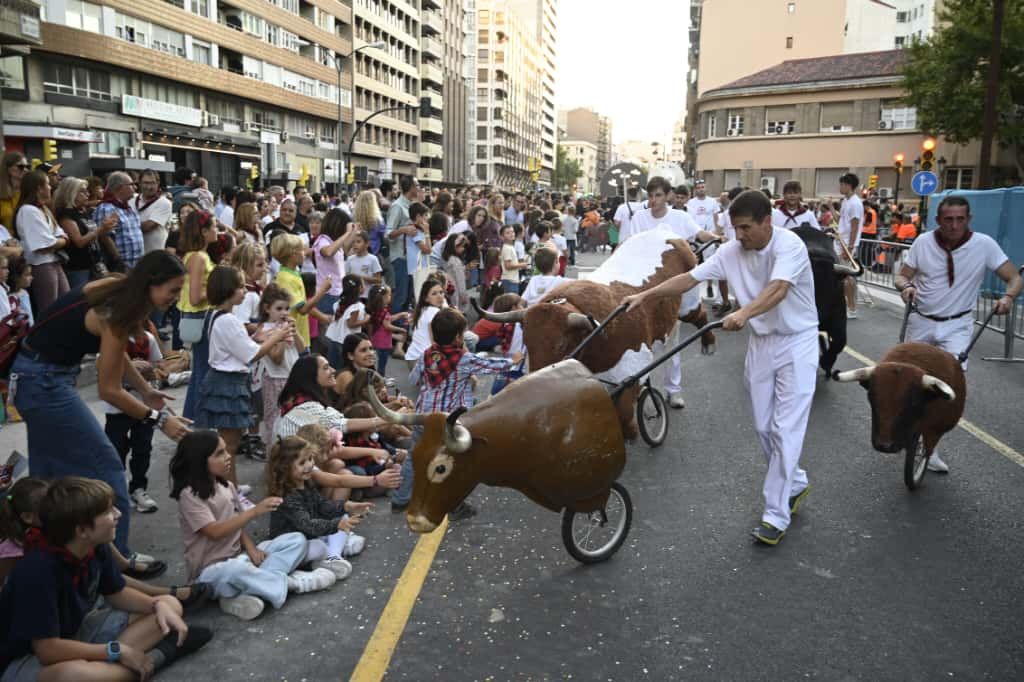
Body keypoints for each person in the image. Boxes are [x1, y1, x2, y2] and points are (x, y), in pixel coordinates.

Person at [624, 190, 818, 546]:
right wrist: (644, 296)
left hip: (797, 342)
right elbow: (689, 278)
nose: (739, 235)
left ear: (766, 222)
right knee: (764, 426)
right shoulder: (731, 250)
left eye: (745, 228)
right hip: (762, 344)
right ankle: (796, 481)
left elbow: (778, 289)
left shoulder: (790, 246)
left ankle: (776, 514)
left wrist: (743, 312)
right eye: (734, 228)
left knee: (785, 427)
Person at [12, 250, 191, 562]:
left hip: (35, 378)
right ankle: (116, 568)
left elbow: (115, 353)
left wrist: (146, 390)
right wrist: (159, 419)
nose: (174, 298)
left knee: (47, 481)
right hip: (43, 383)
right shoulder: (116, 310)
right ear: (151, 283)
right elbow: (109, 390)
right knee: (106, 469)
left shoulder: (115, 290)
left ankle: (51, 556)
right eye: (172, 290)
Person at [0, 477, 212, 681]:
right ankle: (158, 656)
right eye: (108, 511)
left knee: (170, 606)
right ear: (82, 530)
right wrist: (116, 650)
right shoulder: (37, 571)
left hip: (75, 633)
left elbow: (117, 593)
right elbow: (47, 650)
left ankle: (115, 668)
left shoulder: (94, 545)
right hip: (28, 658)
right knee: (72, 676)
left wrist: (156, 604)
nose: (118, 513)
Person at [894, 195, 1022, 474]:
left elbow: (1014, 277)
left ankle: (931, 447)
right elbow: (901, 276)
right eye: (948, 219)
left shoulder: (984, 245)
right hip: (922, 320)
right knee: (907, 379)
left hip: (957, 325)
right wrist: (905, 287)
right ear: (938, 220)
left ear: (969, 219)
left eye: (960, 219)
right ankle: (904, 427)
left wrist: (1009, 298)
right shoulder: (923, 242)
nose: (954, 225)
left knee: (946, 388)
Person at [169, 431, 336, 621]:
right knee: (233, 571)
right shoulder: (189, 495)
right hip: (211, 572)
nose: (227, 457)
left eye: (225, 451)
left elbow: (235, 525)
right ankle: (293, 584)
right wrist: (254, 511)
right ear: (199, 460)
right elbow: (215, 531)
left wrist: (251, 549)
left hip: (241, 558)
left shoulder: (226, 486)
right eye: (219, 454)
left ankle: (242, 592)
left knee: (296, 539)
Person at [390, 308, 523, 514]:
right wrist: (512, 361)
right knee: (455, 462)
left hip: (422, 417)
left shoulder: (427, 354)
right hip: (446, 423)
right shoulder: (463, 359)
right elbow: (490, 365)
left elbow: (413, 380)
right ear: (458, 337)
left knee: (413, 456)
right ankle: (454, 507)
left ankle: (400, 499)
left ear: (434, 335)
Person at [196, 266, 293, 481]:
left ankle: (230, 487)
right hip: (228, 382)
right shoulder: (229, 321)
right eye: (240, 286)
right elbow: (252, 355)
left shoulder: (216, 316)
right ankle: (231, 491)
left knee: (229, 442)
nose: (245, 290)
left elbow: (239, 347)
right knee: (229, 445)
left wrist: (259, 337)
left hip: (226, 380)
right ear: (228, 289)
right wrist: (278, 336)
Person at [266, 436, 368, 578]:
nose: (309, 465)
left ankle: (333, 555)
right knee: (319, 545)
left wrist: (346, 506)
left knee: (341, 516)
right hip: (293, 546)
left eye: (310, 459)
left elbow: (322, 505)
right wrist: (336, 525)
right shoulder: (287, 496)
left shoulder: (305, 481)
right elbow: (308, 525)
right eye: (302, 463)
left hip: (311, 535)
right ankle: (333, 555)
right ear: (284, 468)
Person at [102, 324, 164, 515]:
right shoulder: (111, 338)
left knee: (143, 447)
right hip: (117, 407)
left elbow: (159, 365)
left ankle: (138, 488)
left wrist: (149, 369)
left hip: (143, 405)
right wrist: (128, 367)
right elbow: (102, 371)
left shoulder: (147, 338)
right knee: (116, 449)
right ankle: (116, 491)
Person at [274, 354, 388, 440]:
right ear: (311, 376)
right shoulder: (307, 407)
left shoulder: (304, 399)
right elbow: (342, 424)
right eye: (326, 368)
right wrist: (389, 419)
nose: (333, 370)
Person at [179, 210, 219, 420]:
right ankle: (198, 420)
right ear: (203, 231)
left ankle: (192, 418)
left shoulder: (194, 255)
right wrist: (219, 289)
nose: (217, 231)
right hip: (200, 316)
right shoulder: (199, 257)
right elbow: (195, 297)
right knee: (203, 371)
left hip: (197, 317)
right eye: (214, 227)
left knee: (200, 371)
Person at [272, 232, 330, 353]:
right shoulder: (286, 278)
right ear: (293, 254)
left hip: (300, 336)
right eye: (302, 250)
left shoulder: (292, 273)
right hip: (293, 340)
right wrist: (323, 290)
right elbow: (302, 309)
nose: (305, 252)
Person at [54, 176, 117, 288]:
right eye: (82, 191)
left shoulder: (83, 211)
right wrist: (100, 229)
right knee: (82, 300)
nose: (87, 194)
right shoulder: (66, 216)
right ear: (71, 193)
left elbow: (92, 235)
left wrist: (106, 228)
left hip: (95, 263)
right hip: (79, 267)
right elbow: (79, 242)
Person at [94, 172, 144, 270]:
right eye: (132, 184)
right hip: (121, 266)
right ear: (120, 188)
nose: (135, 188)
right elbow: (105, 238)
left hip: (136, 265)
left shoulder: (128, 208)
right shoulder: (107, 208)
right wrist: (118, 261)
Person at [385, 176, 421, 314]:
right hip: (400, 258)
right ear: (411, 187)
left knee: (409, 296)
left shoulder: (412, 205)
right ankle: (395, 329)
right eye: (417, 185)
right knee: (401, 295)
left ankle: (403, 328)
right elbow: (387, 233)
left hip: (412, 257)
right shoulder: (397, 206)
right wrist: (403, 230)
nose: (419, 188)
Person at [325, 275, 368, 369]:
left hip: (334, 339)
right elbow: (351, 324)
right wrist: (366, 319)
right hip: (346, 342)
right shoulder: (357, 306)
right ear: (360, 288)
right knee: (344, 368)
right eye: (363, 285)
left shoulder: (341, 301)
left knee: (333, 366)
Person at [365, 284, 409, 375]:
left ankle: (376, 377)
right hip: (383, 343)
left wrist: (400, 315)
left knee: (376, 362)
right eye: (389, 295)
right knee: (382, 364)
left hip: (377, 340)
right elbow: (387, 325)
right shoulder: (384, 311)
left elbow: (388, 319)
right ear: (383, 298)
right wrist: (401, 330)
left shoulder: (378, 310)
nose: (391, 296)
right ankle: (381, 379)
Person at [837, 173, 864, 318]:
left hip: (847, 244)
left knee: (848, 277)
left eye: (842, 184)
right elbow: (841, 221)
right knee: (843, 276)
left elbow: (854, 226)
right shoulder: (846, 201)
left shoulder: (855, 203)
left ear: (849, 185)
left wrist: (850, 248)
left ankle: (852, 308)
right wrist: (829, 206)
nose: (840, 187)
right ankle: (847, 305)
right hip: (841, 242)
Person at [136, 169, 173, 255]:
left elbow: (147, 227)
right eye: (146, 183)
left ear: (158, 184)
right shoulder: (131, 200)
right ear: (140, 183)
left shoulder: (164, 203)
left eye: (152, 183)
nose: (149, 187)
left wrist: (126, 226)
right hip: (135, 255)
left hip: (156, 255)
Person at [346, 229, 383, 298]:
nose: (355, 244)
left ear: (367, 244)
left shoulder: (373, 259)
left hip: (368, 296)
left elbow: (378, 280)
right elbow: (346, 278)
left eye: (358, 242)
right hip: (353, 297)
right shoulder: (349, 259)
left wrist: (360, 278)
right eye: (353, 242)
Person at [0, 152, 28, 234]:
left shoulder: (29, 191)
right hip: (6, 243)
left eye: (27, 166)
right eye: (21, 166)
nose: (25, 170)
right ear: (8, 168)